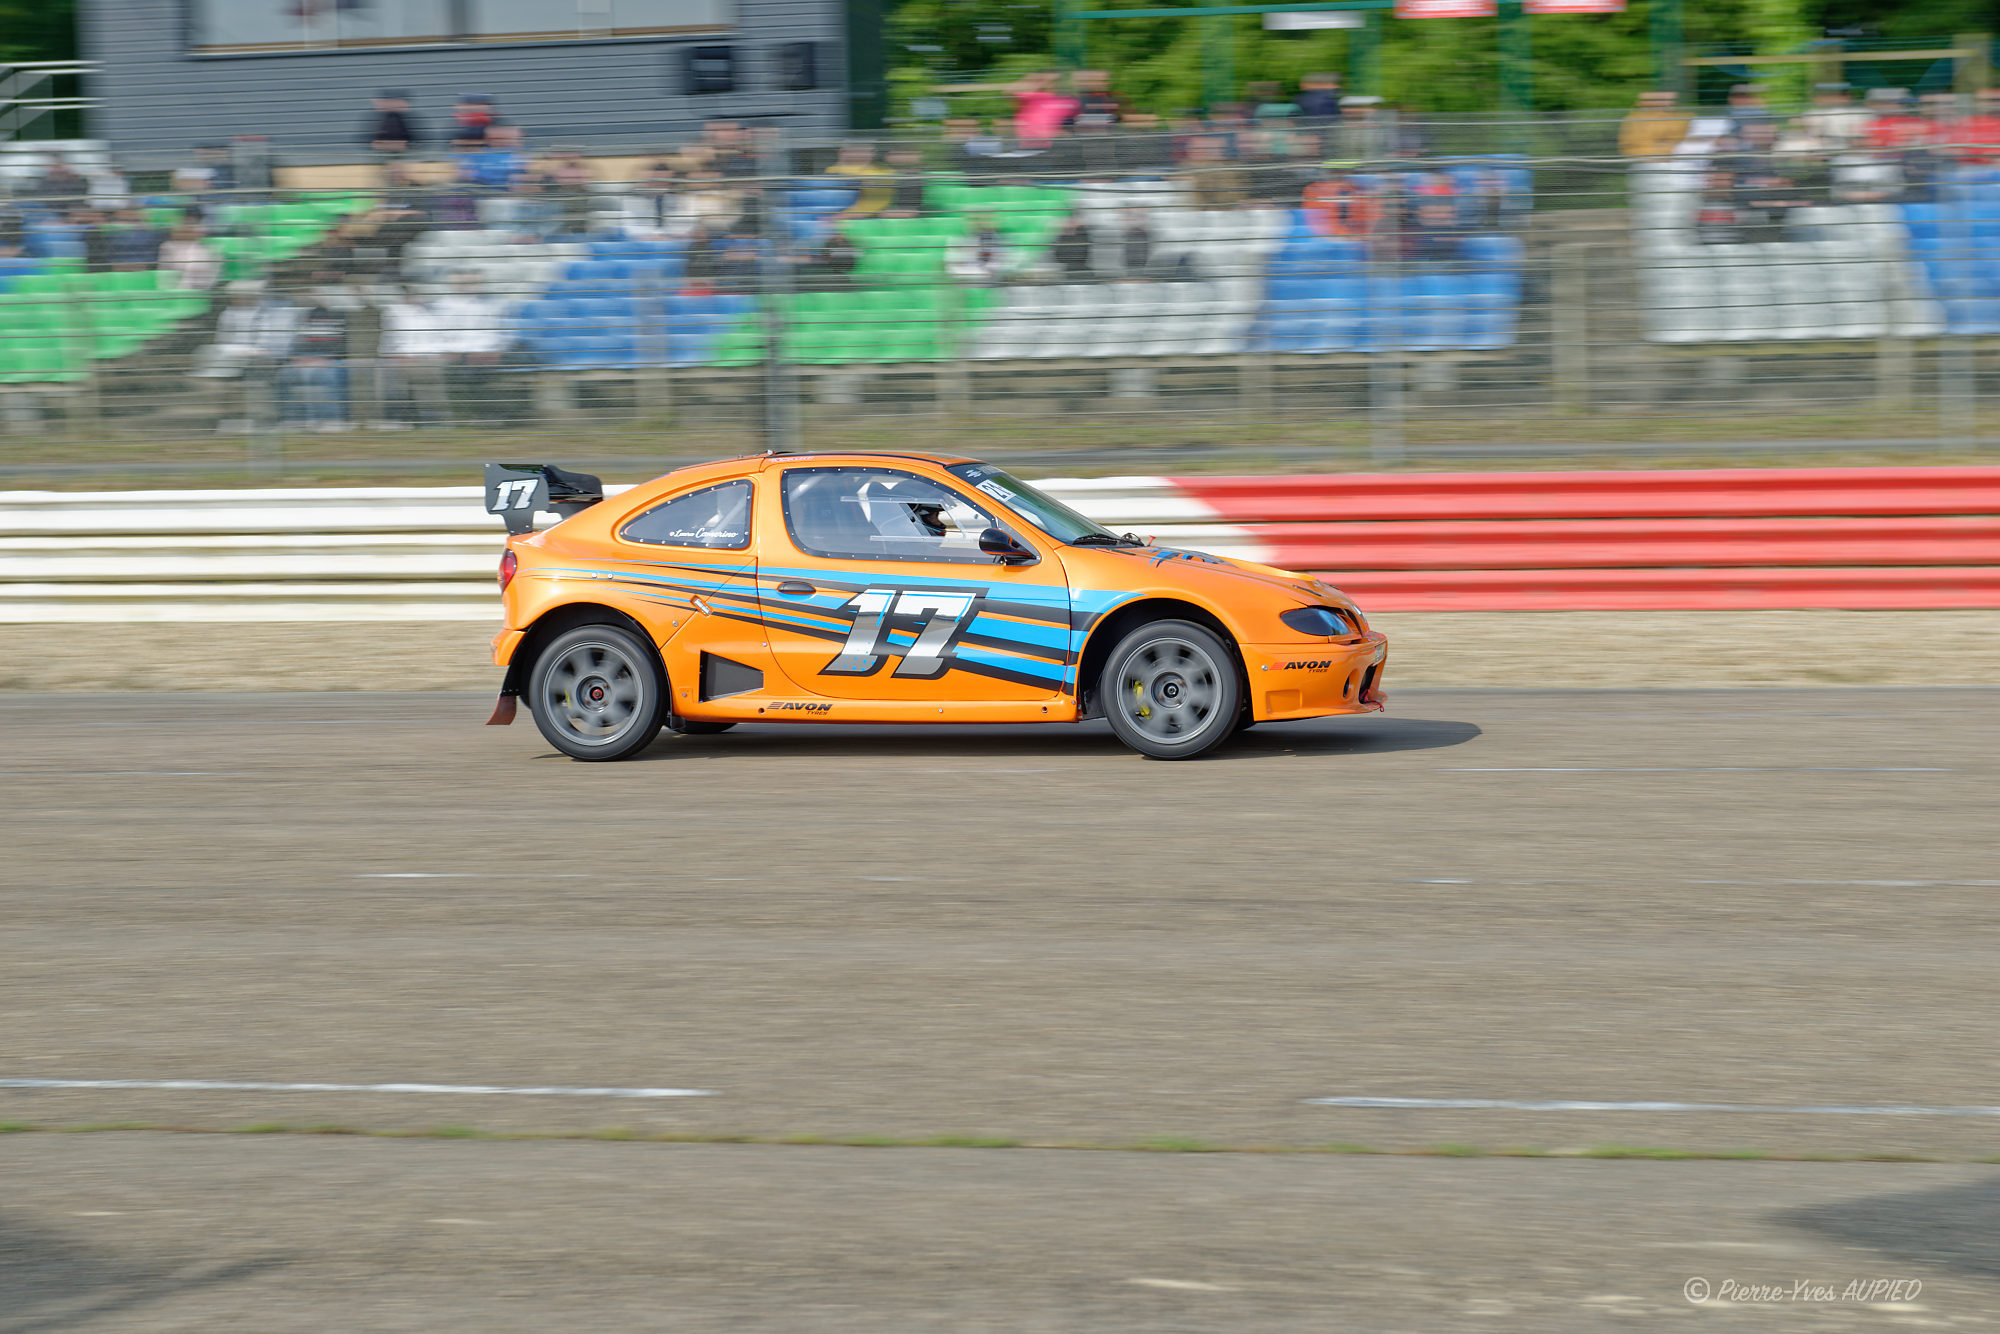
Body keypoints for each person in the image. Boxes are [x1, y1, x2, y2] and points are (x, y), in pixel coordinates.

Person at [281, 277, 352, 432]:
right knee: (285, 374)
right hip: (307, 359)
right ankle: (294, 421)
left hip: (331, 360)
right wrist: (297, 358)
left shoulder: (340, 315)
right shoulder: (305, 315)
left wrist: (323, 359)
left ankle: (332, 421)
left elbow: (342, 345)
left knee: (326, 375)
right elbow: (297, 342)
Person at [1010, 71, 1078, 148]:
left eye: (1053, 82)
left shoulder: (1064, 100)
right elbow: (1011, 91)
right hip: (1029, 143)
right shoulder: (1034, 97)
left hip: (1048, 144)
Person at [826, 142, 894, 218]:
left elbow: (871, 207)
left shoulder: (881, 175)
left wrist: (839, 217)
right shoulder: (832, 172)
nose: (857, 154)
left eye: (862, 150)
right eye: (852, 150)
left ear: (872, 153)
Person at [1619, 90, 1690, 158]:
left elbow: (1681, 141)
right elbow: (1630, 146)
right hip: (1646, 159)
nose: (1668, 103)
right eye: (1661, 99)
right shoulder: (1635, 119)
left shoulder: (1682, 117)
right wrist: (1656, 153)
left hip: (1675, 157)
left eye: (1671, 100)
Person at [158, 221, 221, 291]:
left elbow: (212, 272)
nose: (183, 235)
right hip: (174, 287)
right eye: (179, 232)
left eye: (187, 232)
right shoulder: (167, 246)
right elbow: (164, 271)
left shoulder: (207, 248)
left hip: (202, 287)